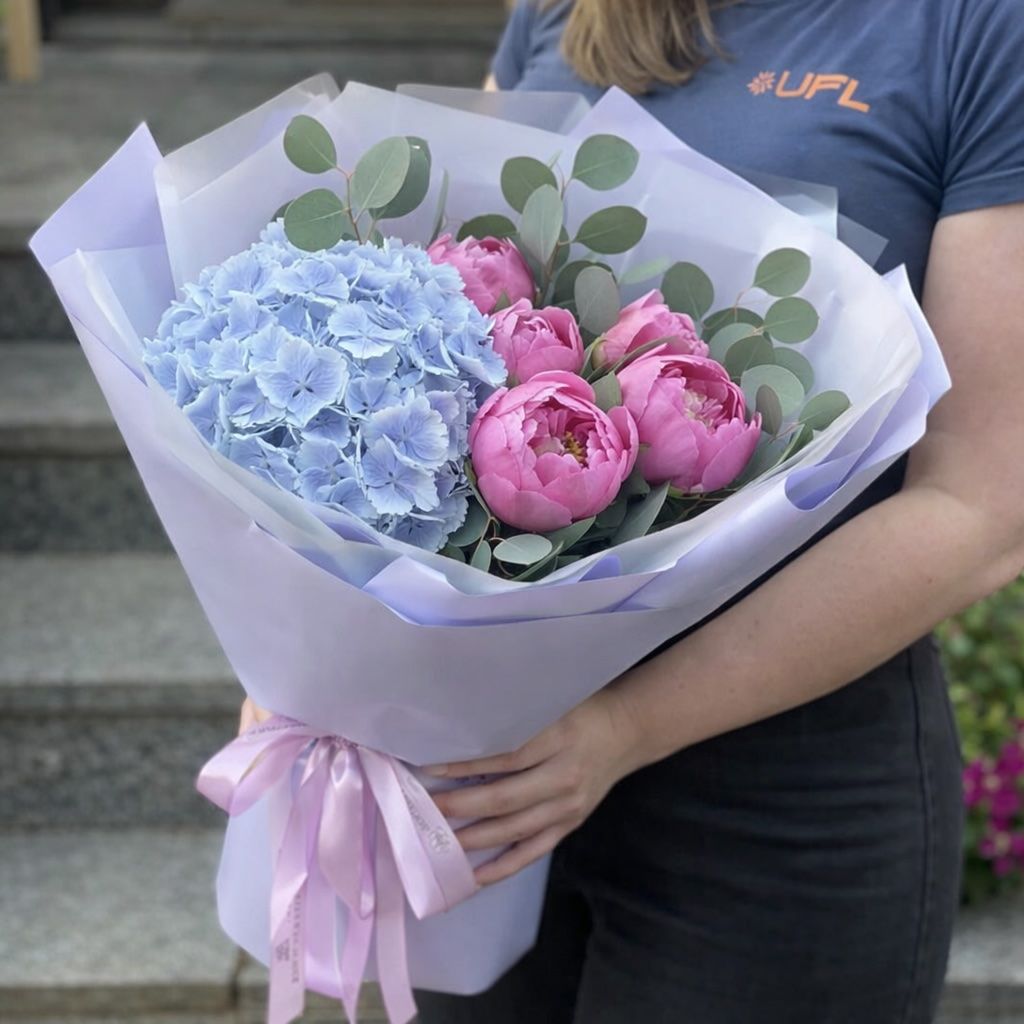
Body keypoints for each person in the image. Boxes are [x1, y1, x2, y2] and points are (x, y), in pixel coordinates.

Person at [241, 1, 1024, 1020]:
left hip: (780, 805)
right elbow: (436, 334)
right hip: (483, 769)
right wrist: (314, 651)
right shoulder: (560, 11)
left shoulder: (977, 29)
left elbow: (979, 506)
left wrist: (624, 727)